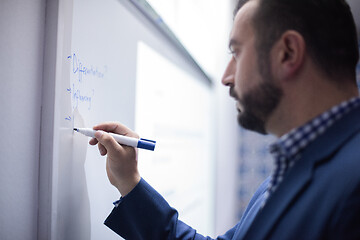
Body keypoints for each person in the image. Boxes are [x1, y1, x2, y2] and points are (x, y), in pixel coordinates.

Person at [89, 0, 360, 239]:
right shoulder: (293, 165)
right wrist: (130, 182)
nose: (226, 77)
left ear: (287, 53)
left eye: (237, 53)